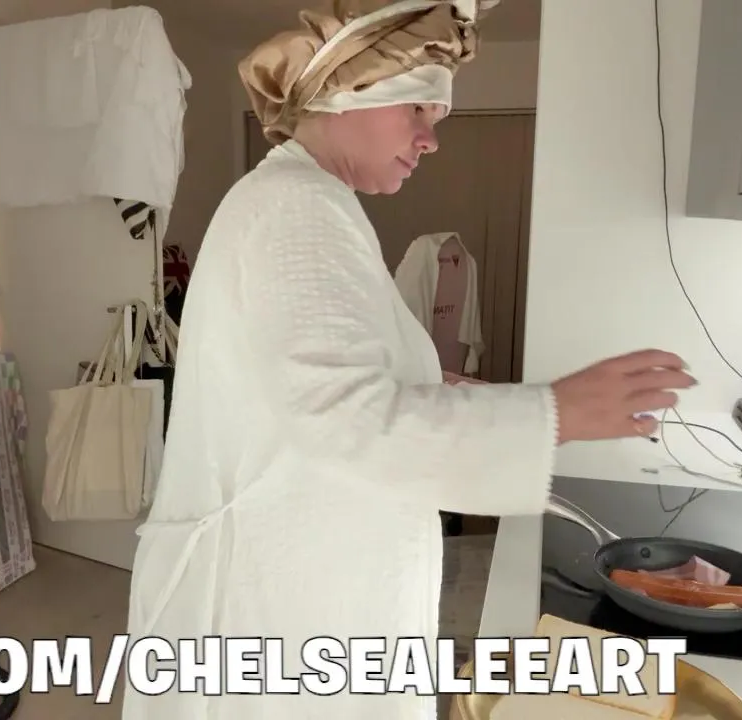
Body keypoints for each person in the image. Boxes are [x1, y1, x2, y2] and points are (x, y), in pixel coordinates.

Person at [121, 1, 695, 718]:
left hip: (301, 585)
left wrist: (433, 382)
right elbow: (347, 420)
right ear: (347, 90)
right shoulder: (295, 207)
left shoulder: (308, 199)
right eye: (418, 110)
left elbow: (309, 382)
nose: (430, 140)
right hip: (282, 612)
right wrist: (556, 413)